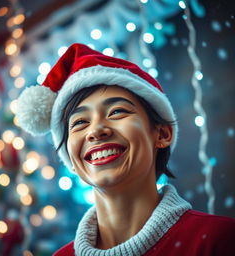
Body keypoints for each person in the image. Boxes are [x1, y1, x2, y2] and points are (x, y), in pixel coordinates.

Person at [17, 43, 235, 256]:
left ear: (162, 134)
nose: (96, 130)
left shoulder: (219, 240)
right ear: (71, 160)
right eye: (80, 123)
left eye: (117, 112)